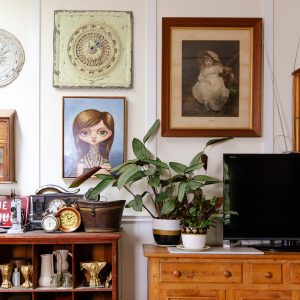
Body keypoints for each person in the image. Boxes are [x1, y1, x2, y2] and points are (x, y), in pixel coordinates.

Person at [72, 109, 114, 176]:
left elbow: (107, 171)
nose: (93, 136)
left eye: (102, 132)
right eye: (85, 132)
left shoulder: (103, 152)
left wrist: (106, 168)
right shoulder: (83, 154)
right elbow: (79, 174)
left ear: (110, 133)